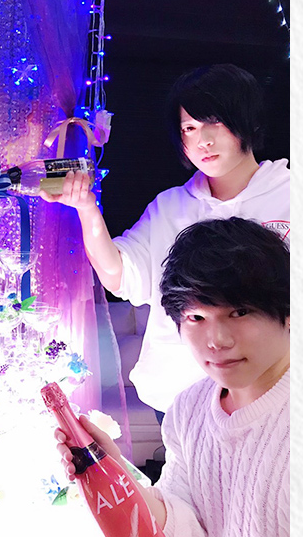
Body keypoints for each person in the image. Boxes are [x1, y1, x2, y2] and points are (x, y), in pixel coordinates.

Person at [41, 64, 289, 416]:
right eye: (190, 128)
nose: (203, 140)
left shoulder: (288, 195)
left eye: (215, 122)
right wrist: (86, 208)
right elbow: (120, 275)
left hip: (274, 395)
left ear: (247, 121)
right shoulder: (171, 207)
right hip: (178, 396)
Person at [56, 218, 289, 537]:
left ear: (288, 311)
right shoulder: (189, 408)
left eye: (239, 312)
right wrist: (116, 472)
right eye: (196, 318)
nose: (217, 340)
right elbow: (185, 522)